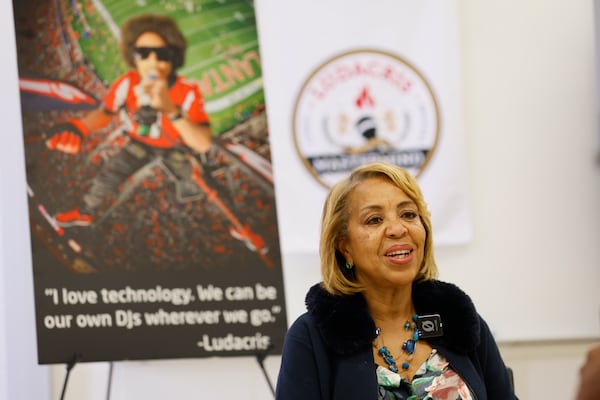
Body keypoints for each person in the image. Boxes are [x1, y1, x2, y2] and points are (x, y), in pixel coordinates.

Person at [275, 161, 517, 400]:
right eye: (374, 220)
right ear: (344, 246)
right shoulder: (311, 337)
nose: (397, 229)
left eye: (408, 214)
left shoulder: (460, 322)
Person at [46, 13, 212, 227]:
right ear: (133, 57)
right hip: (140, 142)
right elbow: (105, 112)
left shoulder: (187, 90)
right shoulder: (126, 83)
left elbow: (202, 142)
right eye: (143, 53)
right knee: (108, 176)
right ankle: (85, 212)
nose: (152, 61)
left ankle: (241, 227)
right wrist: (79, 126)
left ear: (173, 56)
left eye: (162, 54)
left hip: (176, 148)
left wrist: (171, 110)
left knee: (201, 184)